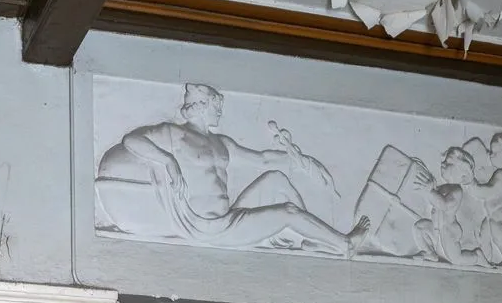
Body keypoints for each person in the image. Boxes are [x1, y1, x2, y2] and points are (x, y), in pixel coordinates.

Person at [98, 83, 370, 256]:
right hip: (203, 227)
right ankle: (345, 244)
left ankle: (313, 235)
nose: (220, 112)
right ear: (202, 106)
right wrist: (168, 160)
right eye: (216, 106)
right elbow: (131, 140)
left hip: (228, 220)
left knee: (275, 178)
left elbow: (263, 160)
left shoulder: (222, 143)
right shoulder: (174, 134)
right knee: (287, 212)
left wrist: (298, 159)